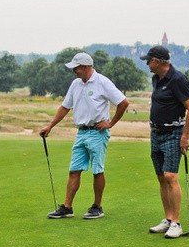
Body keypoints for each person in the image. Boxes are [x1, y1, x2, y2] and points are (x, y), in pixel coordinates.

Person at [39, 52, 129, 219]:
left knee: (97, 170)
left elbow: (123, 102)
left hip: (98, 132)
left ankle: (97, 207)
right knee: (74, 170)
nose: (74, 70)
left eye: (77, 67)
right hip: (81, 133)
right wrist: (50, 126)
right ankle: (67, 207)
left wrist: (110, 123)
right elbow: (65, 107)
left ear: (87, 66)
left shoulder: (102, 82)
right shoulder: (75, 84)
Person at [140, 46, 189, 239]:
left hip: (173, 133)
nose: (147, 63)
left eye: (148, 60)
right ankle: (168, 218)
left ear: (157, 61)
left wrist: (185, 137)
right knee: (161, 177)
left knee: (171, 176)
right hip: (156, 132)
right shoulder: (156, 78)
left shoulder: (178, 79)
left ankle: (177, 223)